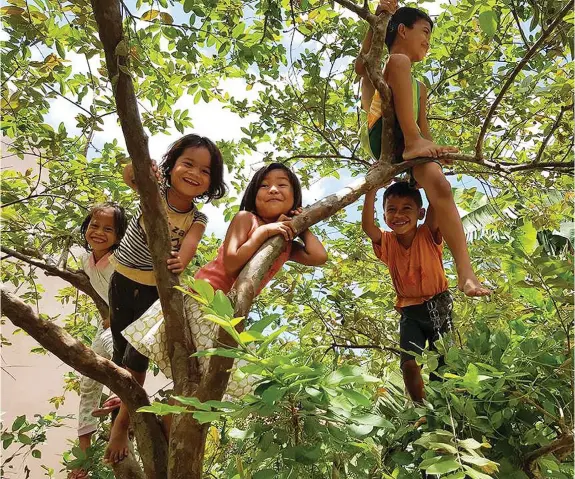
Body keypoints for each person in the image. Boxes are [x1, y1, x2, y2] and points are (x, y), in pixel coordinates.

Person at [122, 162, 328, 435]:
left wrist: (302, 226)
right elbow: (231, 263)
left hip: (226, 315)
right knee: (202, 381)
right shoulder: (247, 219)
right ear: (254, 195)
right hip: (202, 299)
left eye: (282, 185)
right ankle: (125, 430)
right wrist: (264, 232)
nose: (273, 190)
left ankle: (167, 434)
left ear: (294, 197)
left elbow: (319, 257)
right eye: (264, 186)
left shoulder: (286, 242)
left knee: (196, 386)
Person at [104, 134, 226, 464]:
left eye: (205, 171)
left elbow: (188, 249)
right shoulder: (153, 191)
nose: (194, 173)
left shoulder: (197, 218)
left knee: (137, 356)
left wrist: (180, 262)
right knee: (119, 347)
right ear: (171, 167)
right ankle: (120, 398)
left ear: (211, 182)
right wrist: (144, 168)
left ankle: (121, 427)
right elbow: (130, 173)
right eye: (188, 164)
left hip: (154, 292)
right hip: (121, 281)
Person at [355, 0, 490, 297]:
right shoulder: (388, 65)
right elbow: (362, 65)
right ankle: (415, 147)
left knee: (440, 186)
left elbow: (422, 131)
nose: (428, 41)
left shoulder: (419, 87)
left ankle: (466, 273)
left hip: (412, 145)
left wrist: (435, 153)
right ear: (402, 30)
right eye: (425, 32)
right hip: (384, 140)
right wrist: (380, 16)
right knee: (400, 62)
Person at [362, 181, 454, 403]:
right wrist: (371, 189)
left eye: (406, 208)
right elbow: (368, 227)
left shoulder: (428, 233)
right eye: (391, 209)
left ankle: (442, 407)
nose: (398, 214)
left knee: (443, 362)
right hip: (410, 310)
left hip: (439, 305)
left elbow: (437, 203)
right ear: (384, 216)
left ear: (420, 213)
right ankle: (420, 406)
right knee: (410, 364)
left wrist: (425, 176)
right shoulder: (386, 242)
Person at [68, 202, 128, 479]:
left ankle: (121, 392)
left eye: (108, 229)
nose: (99, 232)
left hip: (128, 326)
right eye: (94, 225)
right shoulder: (84, 259)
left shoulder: (121, 261)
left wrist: (114, 316)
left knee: (109, 345)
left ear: (119, 236)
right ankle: (84, 454)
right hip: (109, 324)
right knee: (87, 380)